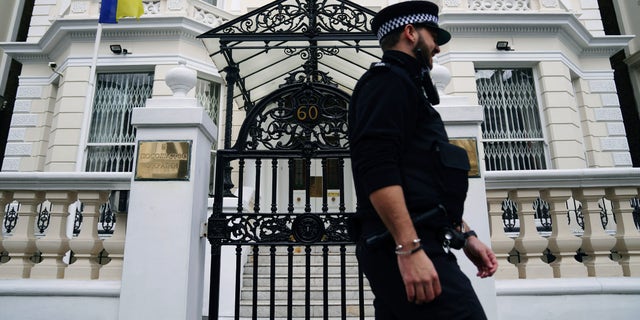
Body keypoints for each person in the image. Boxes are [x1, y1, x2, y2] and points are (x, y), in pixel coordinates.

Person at [347, 1, 498, 319]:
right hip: (401, 243)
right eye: (434, 36)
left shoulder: (405, 87)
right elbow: (376, 167)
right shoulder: (387, 82)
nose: (438, 47)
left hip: (416, 239)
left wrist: (465, 236)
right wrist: (409, 248)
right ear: (410, 33)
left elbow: (425, 184)